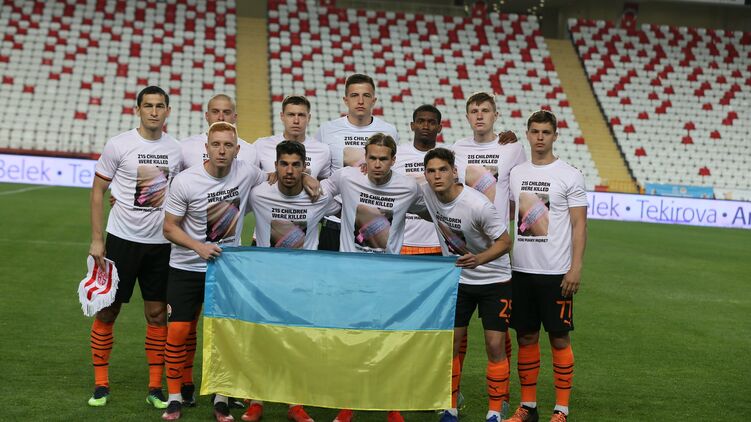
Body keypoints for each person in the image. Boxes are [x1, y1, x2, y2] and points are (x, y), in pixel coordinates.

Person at [160, 121, 267, 422]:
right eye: (216, 144)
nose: (222, 150)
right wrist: (198, 247)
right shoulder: (186, 181)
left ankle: (221, 398)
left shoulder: (247, 172)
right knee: (178, 331)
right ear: (206, 147)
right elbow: (169, 227)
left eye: (228, 145)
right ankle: (174, 397)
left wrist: (308, 180)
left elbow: (273, 180)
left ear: (237, 149)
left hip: (226, 269)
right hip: (186, 267)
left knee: (224, 335)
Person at [87, 86, 182, 409]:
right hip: (121, 241)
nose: (154, 111)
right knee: (107, 309)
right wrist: (97, 239)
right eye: (148, 106)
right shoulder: (119, 144)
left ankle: (155, 387)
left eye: (160, 106)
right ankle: (101, 384)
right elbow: (98, 190)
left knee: (157, 315)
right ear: (137, 109)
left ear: (168, 111)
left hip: (161, 245)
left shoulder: (176, 150)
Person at [321, 134, 425, 422]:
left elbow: (433, 210)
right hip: (350, 278)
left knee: (387, 342)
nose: (377, 164)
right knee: (351, 342)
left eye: (383, 159)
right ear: (365, 158)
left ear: (393, 160)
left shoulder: (408, 187)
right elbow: (319, 191)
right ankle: (348, 403)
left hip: (387, 279)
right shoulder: (346, 177)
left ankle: (391, 404)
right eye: (373, 158)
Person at [242, 141, 340, 422]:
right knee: (261, 342)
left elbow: (349, 205)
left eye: (296, 165)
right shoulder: (259, 194)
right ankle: (256, 400)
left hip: (303, 285)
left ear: (304, 167)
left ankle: (295, 403)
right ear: (275, 166)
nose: (289, 170)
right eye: (284, 164)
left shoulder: (318, 198)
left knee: (299, 343)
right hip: (266, 283)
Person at [419, 149, 512, 422]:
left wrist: (479, 259)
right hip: (458, 280)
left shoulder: (477, 205)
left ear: (454, 172)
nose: (437, 176)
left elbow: (506, 242)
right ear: (426, 175)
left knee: (494, 344)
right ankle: (450, 406)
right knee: (451, 343)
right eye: (431, 171)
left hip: (495, 279)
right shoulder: (427, 193)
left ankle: (495, 411)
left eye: (443, 170)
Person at [506, 111, 588, 422]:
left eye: (546, 132)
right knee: (525, 337)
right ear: (527, 134)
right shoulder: (516, 173)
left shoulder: (570, 174)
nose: (540, 137)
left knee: (559, 337)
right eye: (535, 131)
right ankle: (528, 407)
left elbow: (580, 225)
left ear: (555, 136)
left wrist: (575, 267)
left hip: (556, 273)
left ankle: (561, 409)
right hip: (521, 271)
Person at [450, 92, 526, 413]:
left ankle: (500, 401)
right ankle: (451, 400)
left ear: (496, 115)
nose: (479, 115)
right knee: (454, 338)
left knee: (496, 338)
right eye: (474, 111)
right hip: (461, 259)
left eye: (485, 110)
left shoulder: (512, 148)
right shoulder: (457, 148)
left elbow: (523, 189)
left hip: (496, 257)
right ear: (467, 116)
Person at [315, 73, 399, 251]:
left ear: (374, 100)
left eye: (366, 95)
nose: (360, 101)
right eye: (354, 95)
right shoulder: (327, 130)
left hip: (374, 220)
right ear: (345, 100)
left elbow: (391, 171)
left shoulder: (389, 130)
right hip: (335, 221)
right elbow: (320, 173)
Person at [392, 105, 443, 256]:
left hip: (438, 242)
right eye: (421, 121)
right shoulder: (396, 154)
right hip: (401, 241)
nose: (426, 126)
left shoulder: (449, 153)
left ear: (439, 128)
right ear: (412, 126)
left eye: (431, 122)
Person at [255, 95, 331, 179]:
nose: (296, 121)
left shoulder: (322, 150)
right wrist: (268, 176)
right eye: (291, 115)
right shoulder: (261, 145)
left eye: (301, 115)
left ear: (308, 118)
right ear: (282, 116)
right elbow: (250, 177)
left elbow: (324, 182)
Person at [180, 94, 257, 169]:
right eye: (215, 112)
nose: (221, 118)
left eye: (226, 112)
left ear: (235, 117)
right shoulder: (185, 146)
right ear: (207, 116)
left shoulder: (250, 151)